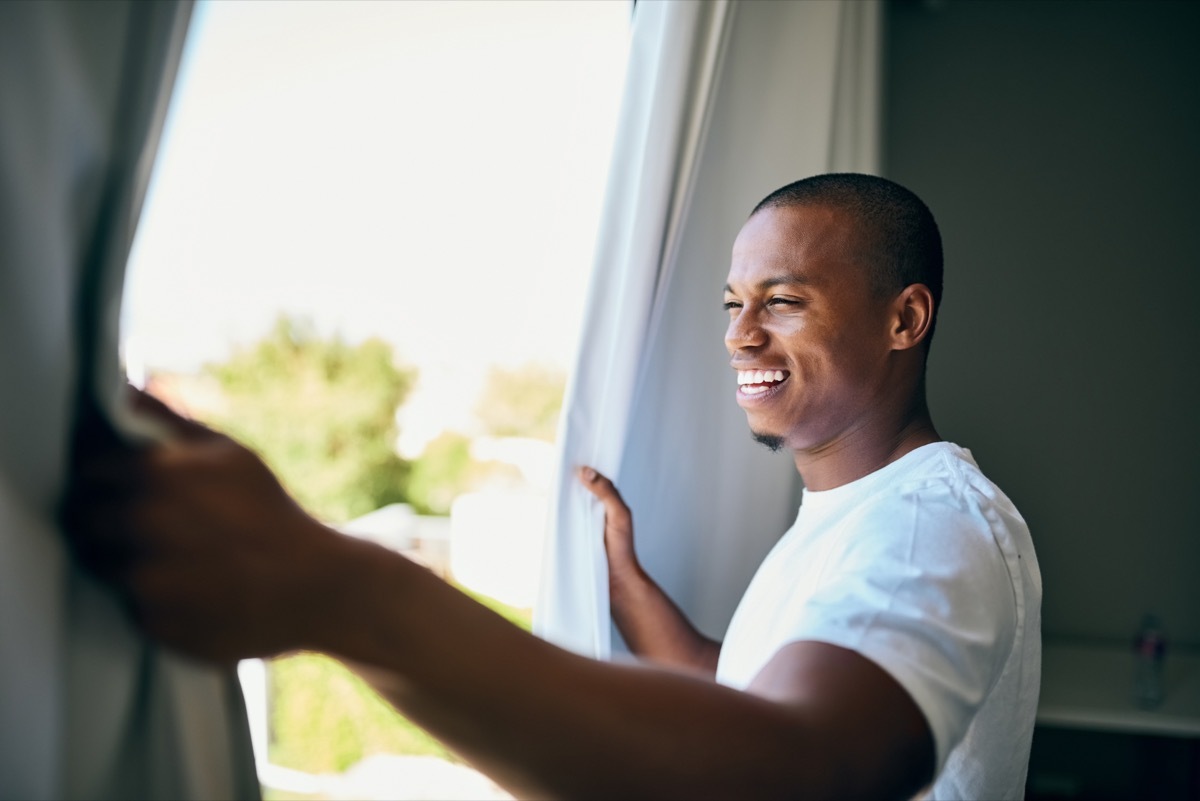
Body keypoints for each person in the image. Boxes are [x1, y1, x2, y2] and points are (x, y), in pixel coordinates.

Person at [66, 173, 1041, 800]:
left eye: (782, 301)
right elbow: (746, 692)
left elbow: (802, 766)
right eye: (734, 303)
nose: (740, 334)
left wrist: (342, 592)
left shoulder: (929, 525)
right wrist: (628, 585)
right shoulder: (850, 517)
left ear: (905, 319)